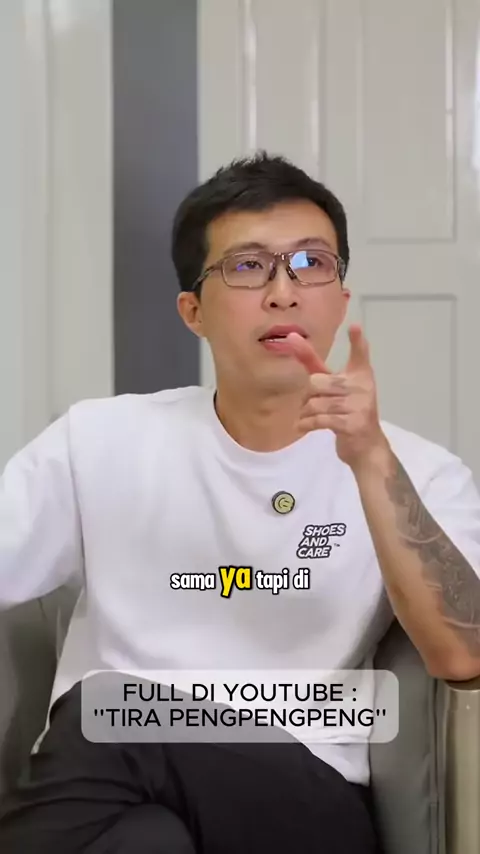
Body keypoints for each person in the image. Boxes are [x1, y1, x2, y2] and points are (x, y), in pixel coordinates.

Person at [1, 151, 480, 854]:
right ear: (193, 311)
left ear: (340, 298)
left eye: (311, 263)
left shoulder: (419, 471)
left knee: (107, 710)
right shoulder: (100, 440)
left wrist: (371, 460)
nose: (284, 291)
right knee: (145, 837)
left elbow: (466, 654)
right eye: (249, 266)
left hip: (304, 798)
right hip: (117, 783)